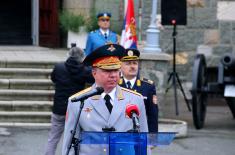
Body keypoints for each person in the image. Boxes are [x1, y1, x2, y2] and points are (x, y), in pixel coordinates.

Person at [62, 44, 148, 155]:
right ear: (94, 73)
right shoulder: (77, 101)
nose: (113, 75)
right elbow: (69, 144)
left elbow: (144, 142)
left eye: (116, 70)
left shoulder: (136, 99)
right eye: (107, 71)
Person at [44, 45, 94, 155]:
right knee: (74, 138)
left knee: (53, 138)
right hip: (75, 109)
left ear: (69, 54)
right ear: (82, 57)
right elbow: (92, 79)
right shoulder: (84, 70)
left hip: (59, 107)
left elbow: (53, 79)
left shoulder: (59, 67)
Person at [119, 48, 158, 133]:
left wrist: (152, 138)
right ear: (120, 66)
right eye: (128, 64)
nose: (132, 66)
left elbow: (152, 115)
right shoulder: (115, 85)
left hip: (140, 133)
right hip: (119, 133)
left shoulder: (148, 86)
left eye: (135, 63)